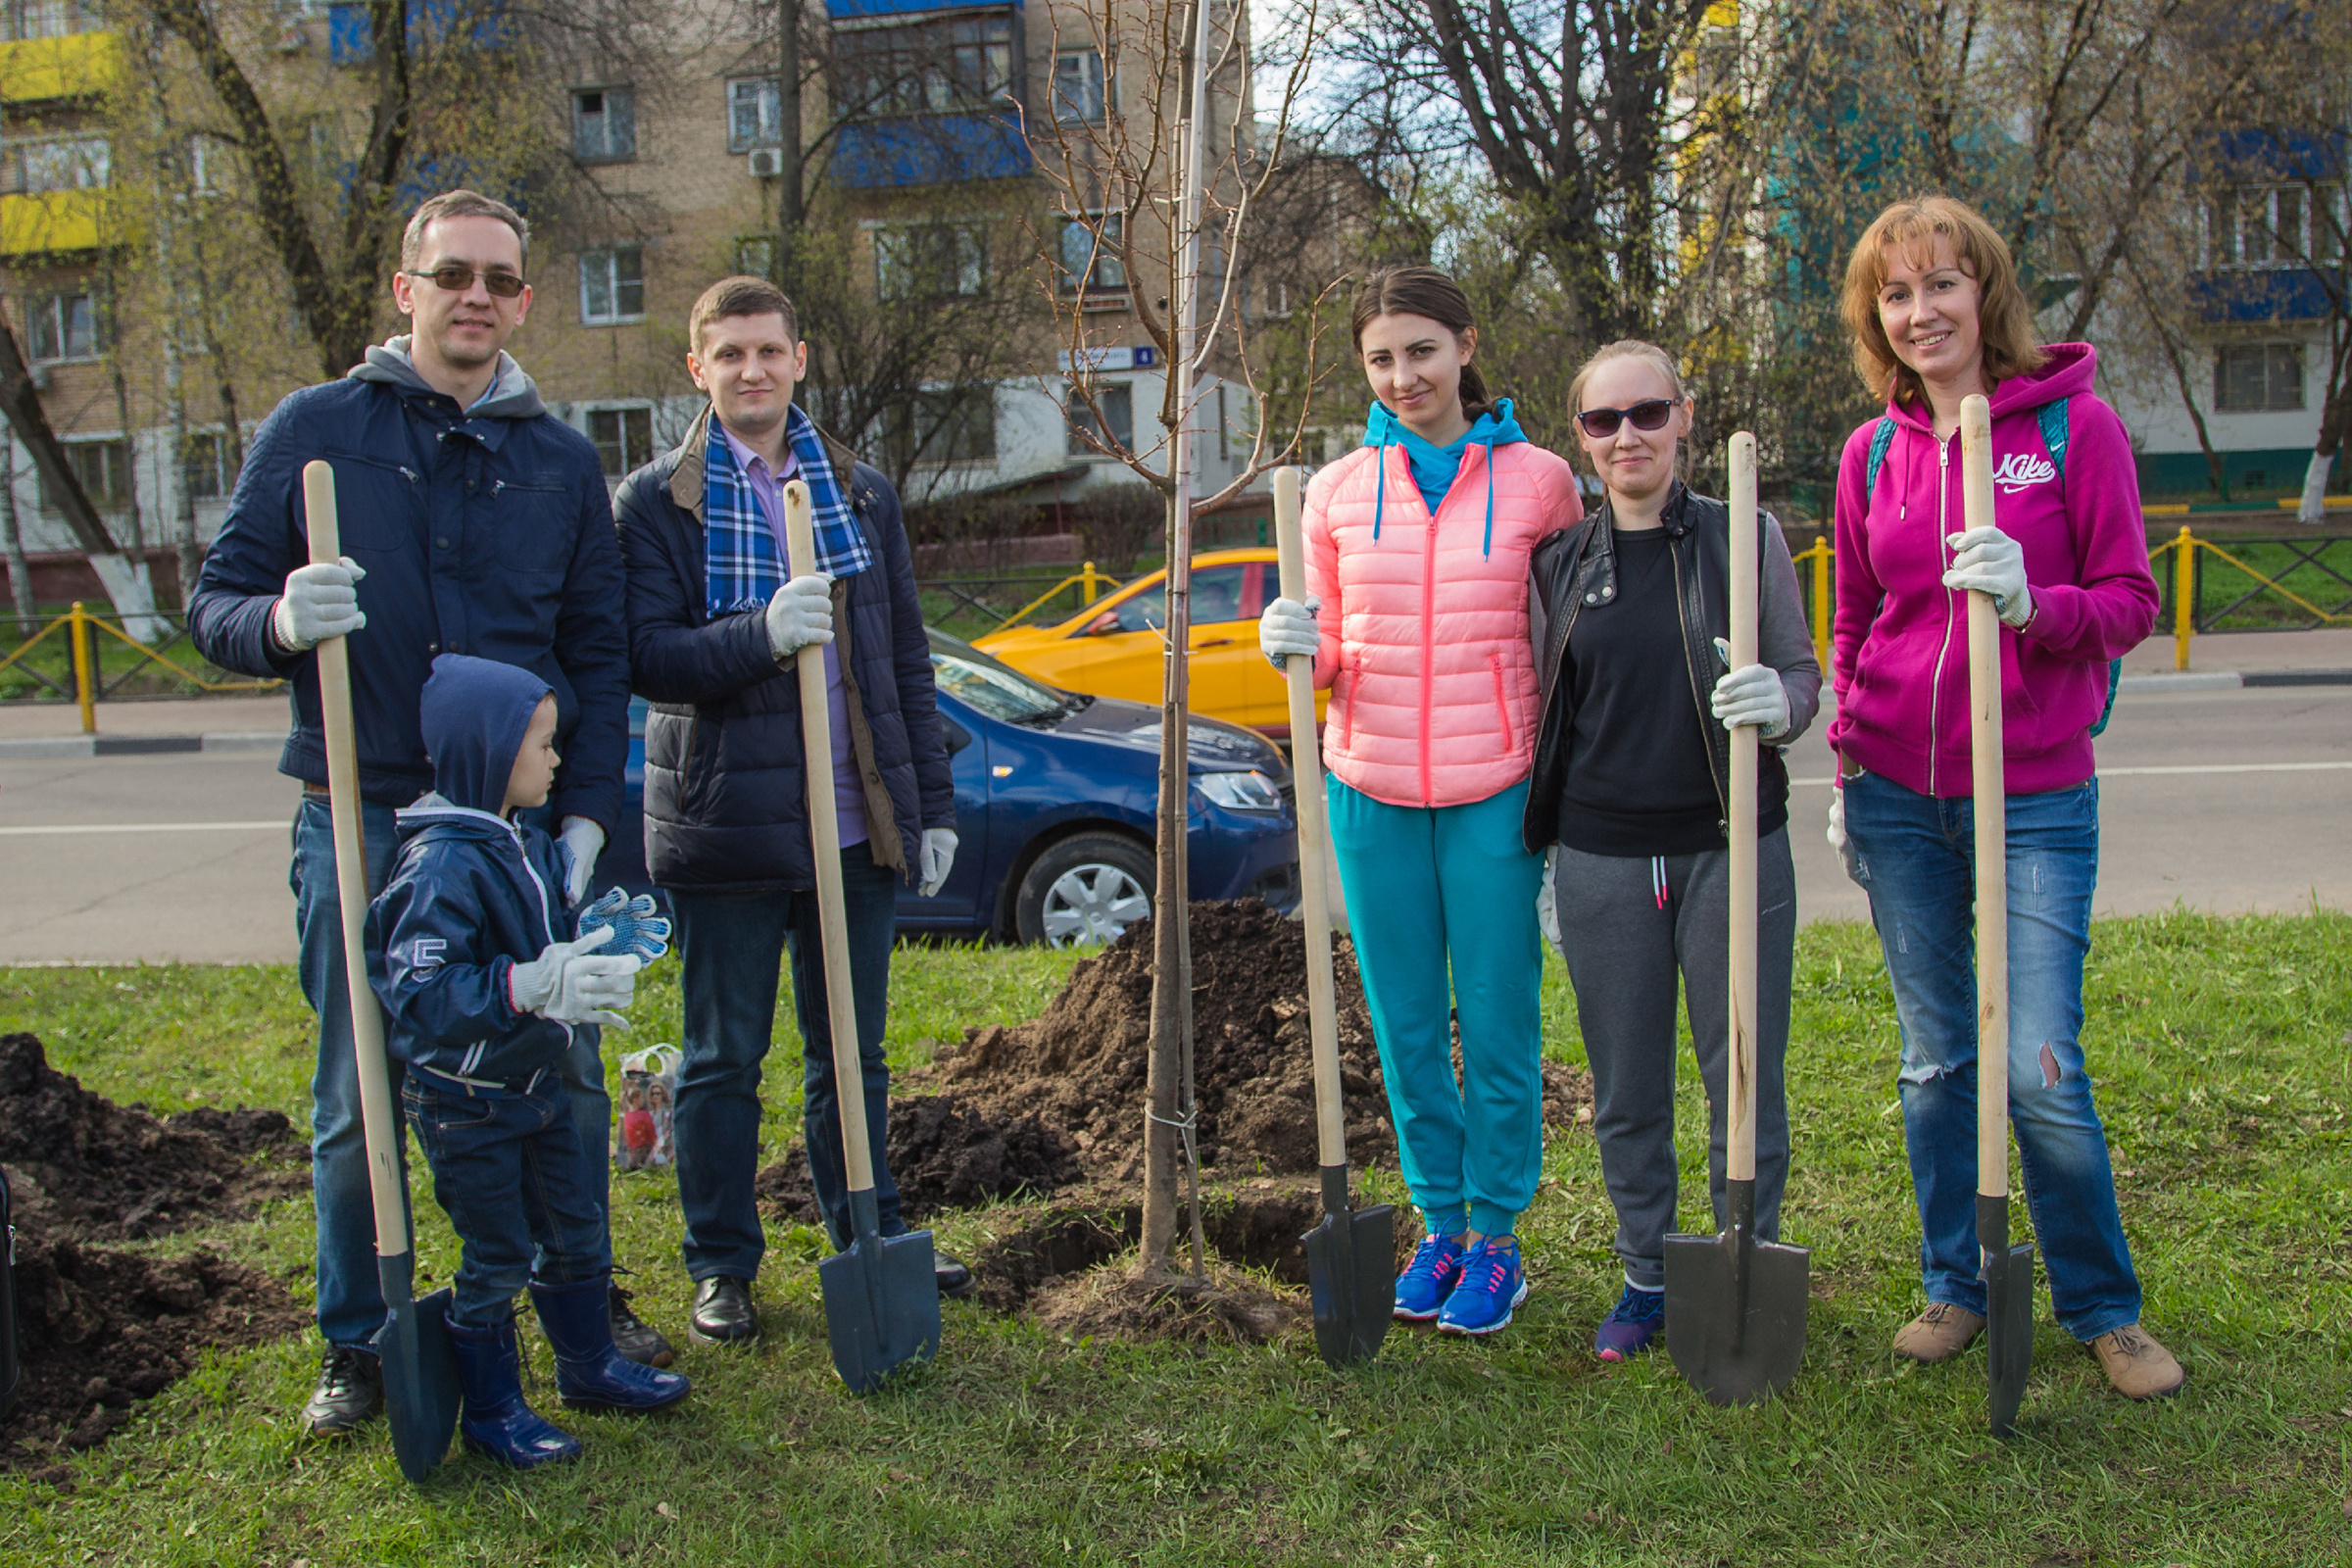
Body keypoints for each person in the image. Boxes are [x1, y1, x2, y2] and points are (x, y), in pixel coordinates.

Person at [187, 190, 669, 1438]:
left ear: (524, 301)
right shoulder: (319, 431)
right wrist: (283, 620)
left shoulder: (559, 460)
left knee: (558, 1072)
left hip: (520, 835)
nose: (476, 296)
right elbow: (217, 605)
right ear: (405, 289)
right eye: (451, 273)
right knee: (363, 1088)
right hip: (362, 810)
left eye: (501, 280)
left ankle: (577, 1303)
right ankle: (361, 1338)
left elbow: (598, 655)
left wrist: (586, 822)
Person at [1829, 195, 2179, 1398]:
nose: (1920, 311)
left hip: (2030, 793)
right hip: (1897, 796)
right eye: (1895, 293)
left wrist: (2036, 599)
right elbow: (1857, 620)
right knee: (1935, 1061)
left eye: (1941, 285)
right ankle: (1955, 1282)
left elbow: (2130, 601)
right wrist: (1847, 754)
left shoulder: (2076, 431)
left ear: (1986, 293)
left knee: (2036, 1064)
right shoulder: (1871, 455)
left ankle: (2101, 1305)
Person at [613, 275, 964, 1344]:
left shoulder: (859, 491)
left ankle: (870, 1229)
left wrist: (930, 803)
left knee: (851, 1052)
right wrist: (759, 634)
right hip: (729, 828)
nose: (752, 370)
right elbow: (646, 659)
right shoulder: (656, 503)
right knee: (723, 1057)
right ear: (698, 370)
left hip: (853, 822)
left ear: (799, 358)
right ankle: (721, 1263)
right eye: (729, 355)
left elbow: (904, 655)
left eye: (769, 350)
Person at [1257, 264, 1583, 1336]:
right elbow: (1334, 647)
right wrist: (1295, 650)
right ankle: (1438, 1223)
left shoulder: (1540, 482)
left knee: (1495, 1014)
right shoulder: (1338, 493)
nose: (1404, 377)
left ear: (1465, 345)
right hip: (1370, 783)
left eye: (1422, 351)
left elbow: (1567, 634)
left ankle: (1497, 1236)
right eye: (1381, 360)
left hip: (1498, 781)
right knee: (1400, 1022)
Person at [1522, 341, 1821, 1360]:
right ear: (1583, 440)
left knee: (1742, 1067)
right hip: (1602, 858)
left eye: (1647, 413)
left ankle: (1747, 1255)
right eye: (1603, 422)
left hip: (1730, 846)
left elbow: (1801, 672)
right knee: (1627, 1085)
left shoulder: (1747, 538)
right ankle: (1648, 1273)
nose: (1627, 436)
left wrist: (1779, 705)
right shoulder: (1559, 564)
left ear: (1685, 417)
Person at [366, 656, 689, 1469]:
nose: (556, 761)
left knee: (576, 1228)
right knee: (498, 1252)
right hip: (467, 1101)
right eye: (543, 746)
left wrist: (593, 943)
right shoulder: (440, 863)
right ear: (488, 749)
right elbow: (421, 991)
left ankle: (588, 1366)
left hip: (541, 1081)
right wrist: (530, 983)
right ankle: (494, 1410)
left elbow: (554, 932)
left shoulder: (524, 843)